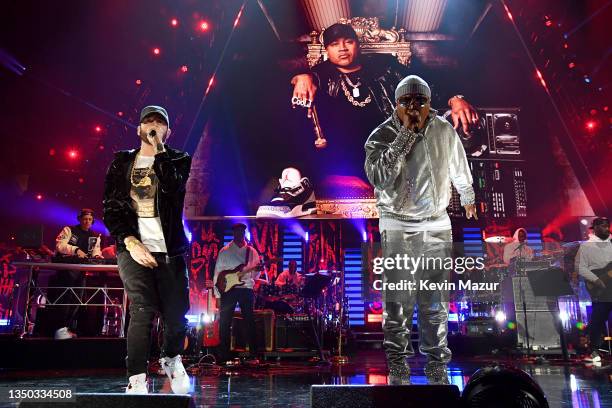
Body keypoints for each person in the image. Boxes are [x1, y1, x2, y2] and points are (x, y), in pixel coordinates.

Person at [364, 75, 477, 385]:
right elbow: (380, 178)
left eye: (421, 102)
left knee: (435, 298)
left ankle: (436, 363)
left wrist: (467, 197)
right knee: (398, 298)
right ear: (395, 103)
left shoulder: (443, 129)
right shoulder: (381, 135)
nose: (414, 107)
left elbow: (459, 166)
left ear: (430, 103)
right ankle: (398, 363)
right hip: (397, 222)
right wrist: (404, 135)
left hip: (437, 220)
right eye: (406, 102)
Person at [290, 23, 477, 197]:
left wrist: (455, 99)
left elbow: (425, 82)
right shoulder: (319, 76)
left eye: (348, 41)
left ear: (358, 44)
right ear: (327, 50)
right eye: (334, 44)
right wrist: (302, 77)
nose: (342, 48)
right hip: (342, 157)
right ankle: (293, 181)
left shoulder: (386, 68)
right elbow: (296, 99)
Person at [103, 105, 192, 394]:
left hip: (170, 251)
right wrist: (129, 241)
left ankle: (170, 358)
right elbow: (112, 207)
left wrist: (160, 150)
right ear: (139, 128)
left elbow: (172, 188)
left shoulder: (178, 159)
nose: (153, 126)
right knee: (142, 309)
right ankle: (136, 379)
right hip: (133, 247)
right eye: (148, 122)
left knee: (177, 315)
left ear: (167, 130)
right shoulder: (121, 163)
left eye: (159, 123)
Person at [213, 223, 261, 364]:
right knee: (225, 322)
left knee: (249, 321)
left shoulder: (252, 251)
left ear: (244, 233)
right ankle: (223, 355)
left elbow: (256, 276)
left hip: (246, 288)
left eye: (242, 232)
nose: (240, 234)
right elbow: (217, 274)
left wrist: (257, 269)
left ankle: (253, 354)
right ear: (233, 233)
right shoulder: (225, 251)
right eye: (237, 232)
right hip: (229, 289)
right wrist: (218, 295)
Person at [50, 208, 102, 339]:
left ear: (93, 221)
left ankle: (67, 329)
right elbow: (59, 246)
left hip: (80, 270)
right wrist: (76, 249)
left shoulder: (95, 236)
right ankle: (59, 329)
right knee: (65, 299)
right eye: (85, 218)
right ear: (79, 219)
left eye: (90, 219)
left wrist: (97, 256)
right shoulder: (69, 230)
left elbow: (96, 251)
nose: (87, 221)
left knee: (77, 300)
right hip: (66, 269)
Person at [576, 217, 612, 363]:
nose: (606, 228)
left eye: (607, 226)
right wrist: (597, 280)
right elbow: (580, 267)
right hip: (599, 288)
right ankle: (594, 350)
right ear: (595, 228)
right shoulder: (586, 247)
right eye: (602, 226)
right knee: (598, 318)